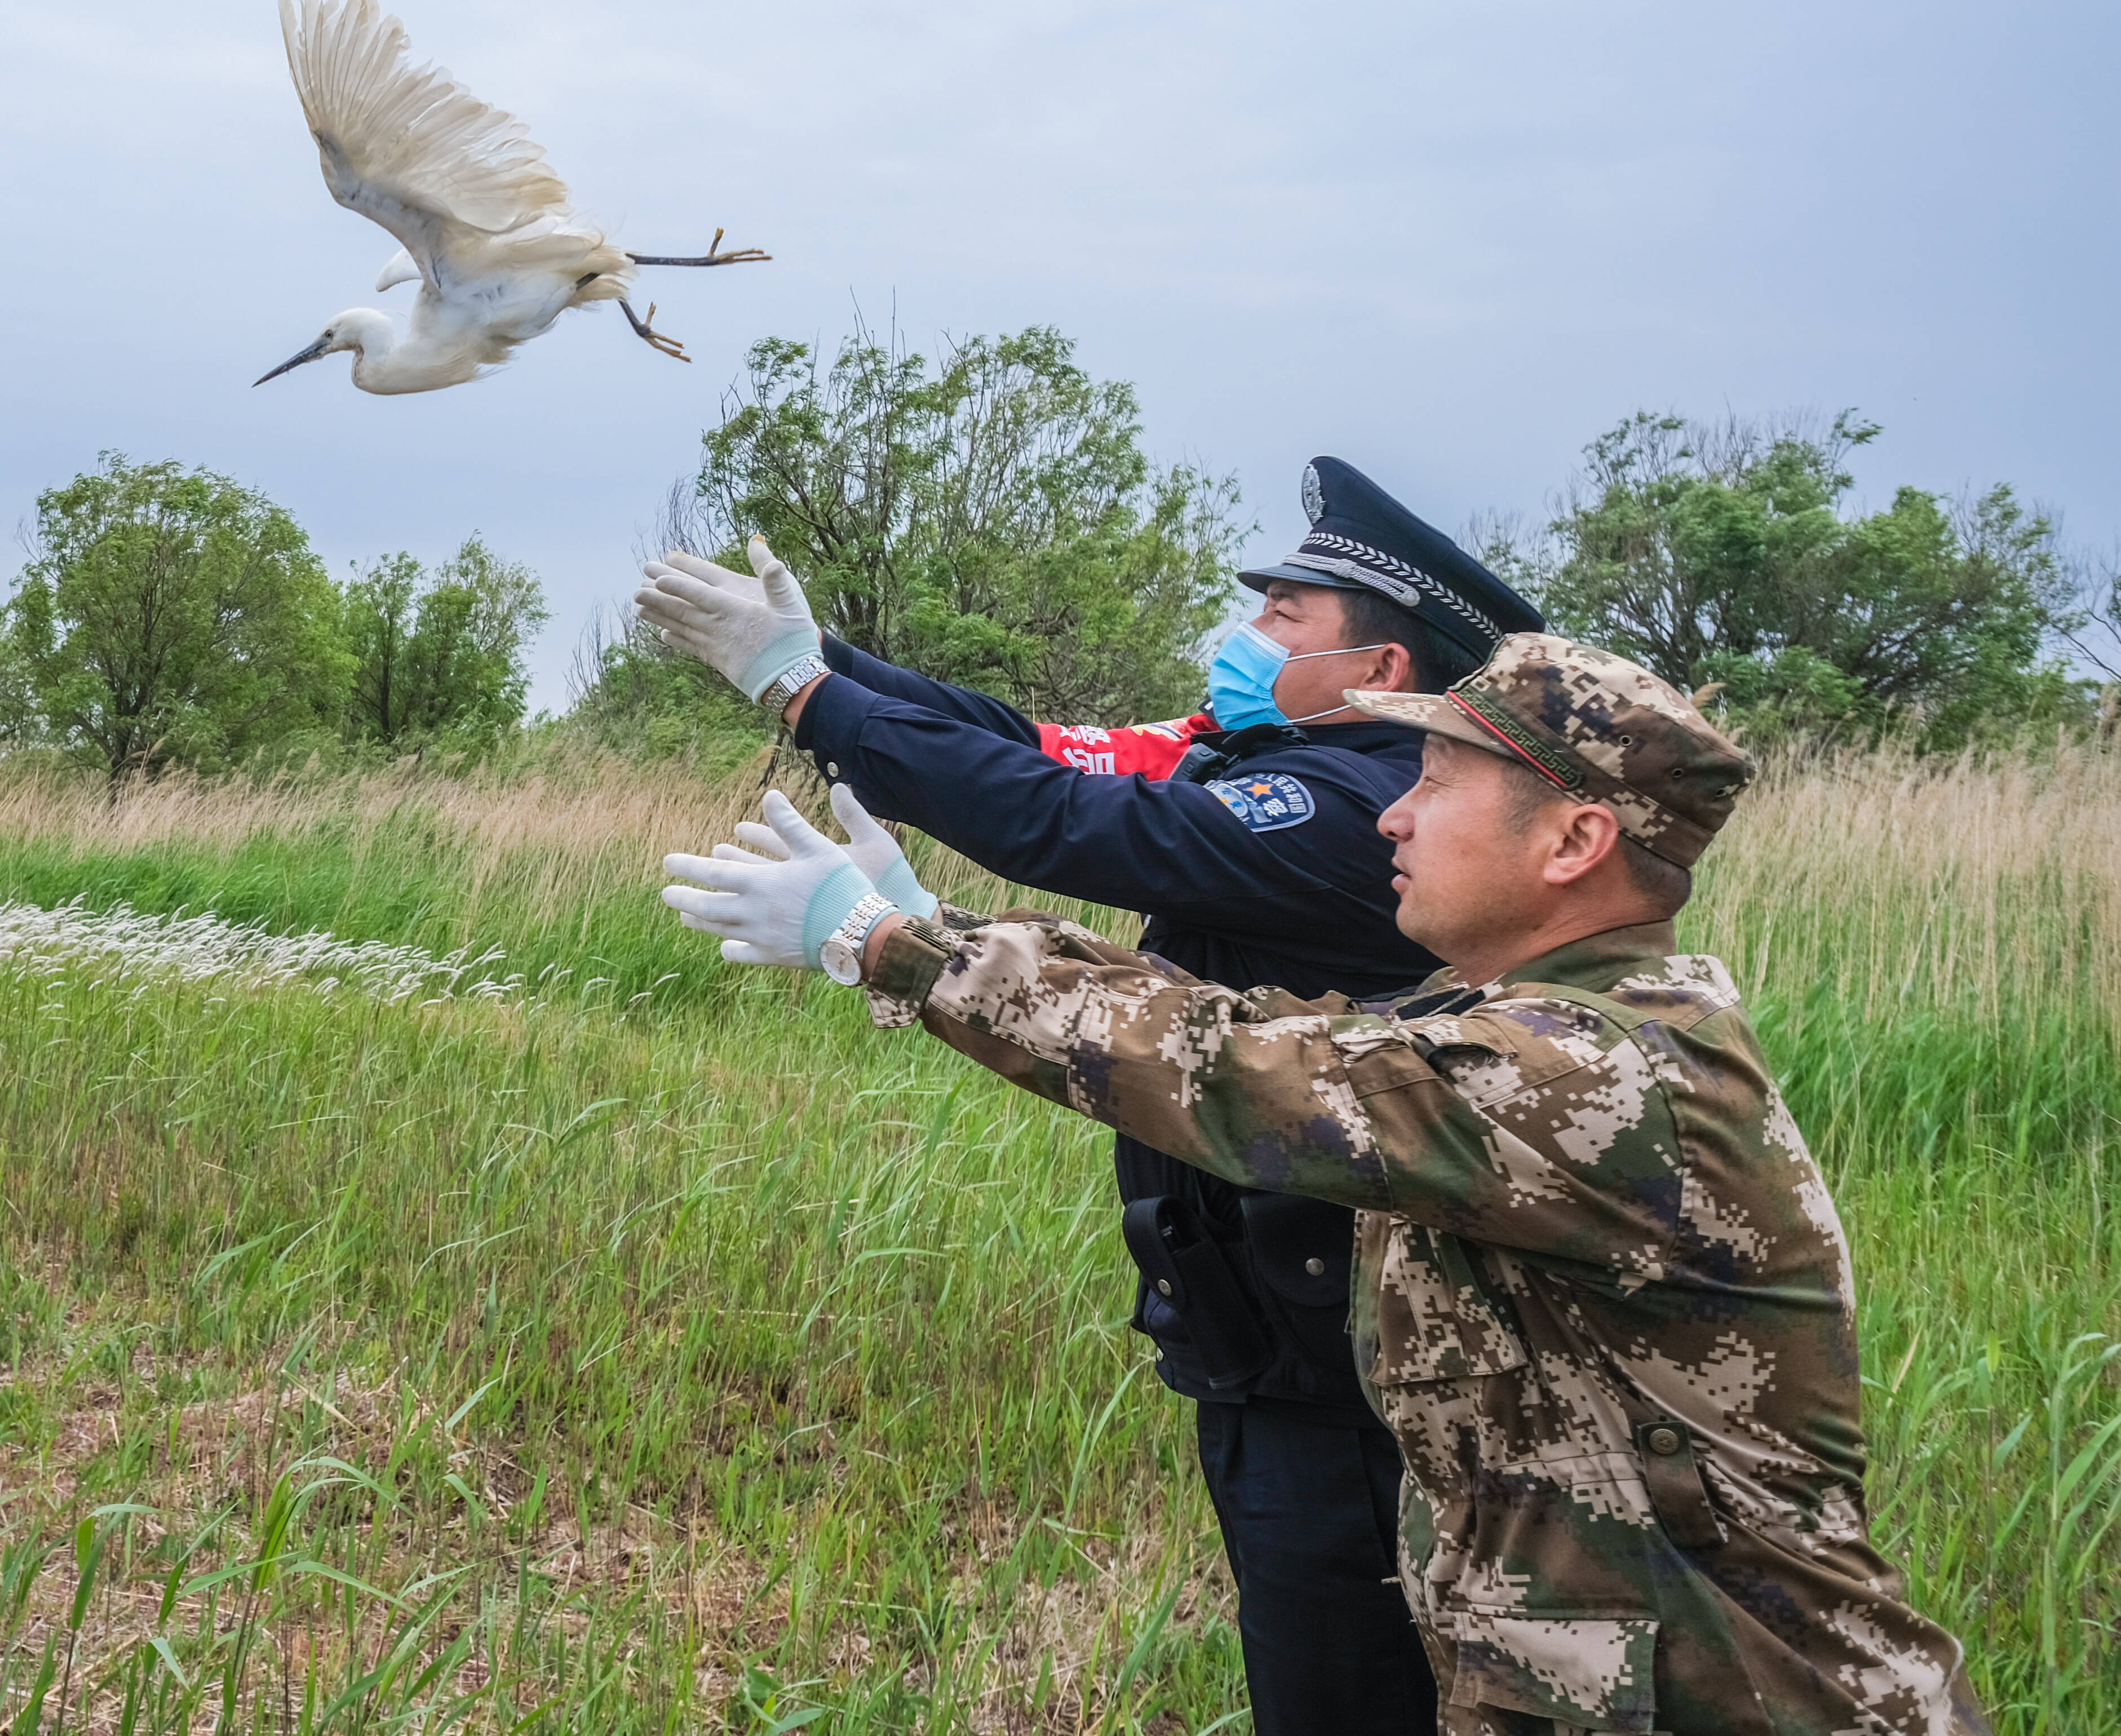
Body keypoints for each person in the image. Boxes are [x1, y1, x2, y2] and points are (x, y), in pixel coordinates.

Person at [659, 636, 1989, 1736]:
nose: (1393, 815)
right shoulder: (1519, 1024)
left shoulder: (1600, 1073)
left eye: (1436, 783)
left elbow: (1247, 1081)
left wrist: (895, 949)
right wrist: (940, 932)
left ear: (1576, 837)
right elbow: (1267, 1030)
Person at [637, 459, 1540, 1735]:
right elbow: (1036, 749)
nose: (1248, 632)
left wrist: (805, 692)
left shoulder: (1352, 806)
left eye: (1287, 614)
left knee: (1346, 1683)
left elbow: (1070, 825)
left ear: (1381, 674)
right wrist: (821, 660)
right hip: (1267, 1318)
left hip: (1338, 1349)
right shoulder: (1267, 758)